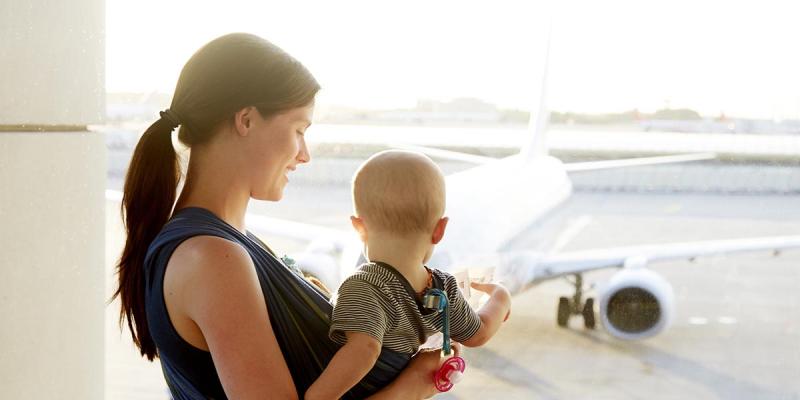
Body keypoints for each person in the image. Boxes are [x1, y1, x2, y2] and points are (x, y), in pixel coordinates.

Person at [112, 33, 456, 399]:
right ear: (246, 120)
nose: (304, 154)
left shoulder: (221, 244)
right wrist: (417, 384)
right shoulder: (212, 258)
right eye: (298, 130)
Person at [305, 150, 512, 400]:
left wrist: (318, 396)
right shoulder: (443, 287)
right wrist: (500, 298)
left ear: (359, 228)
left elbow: (367, 346)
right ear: (439, 230)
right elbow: (479, 333)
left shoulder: (362, 285)